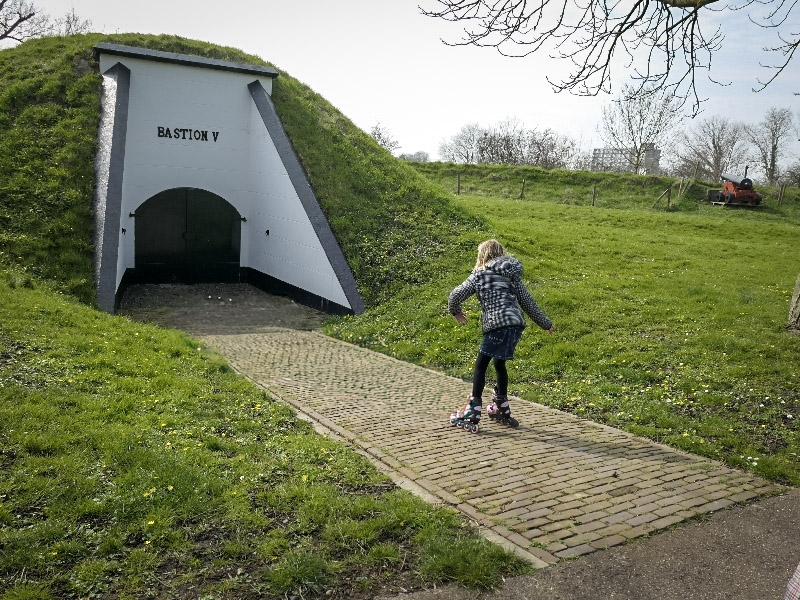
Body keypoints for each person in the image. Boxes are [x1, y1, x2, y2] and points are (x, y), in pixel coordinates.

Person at [448, 239, 555, 432]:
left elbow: (455, 295)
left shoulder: (480, 275)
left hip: (497, 325)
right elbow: (527, 302)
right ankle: (501, 407)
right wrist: (545, 323)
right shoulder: (512, 276)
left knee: (481, 365)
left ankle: (473, 412)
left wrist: (456, 312)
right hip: (515, 325)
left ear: (483, 255)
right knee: (499, 363)